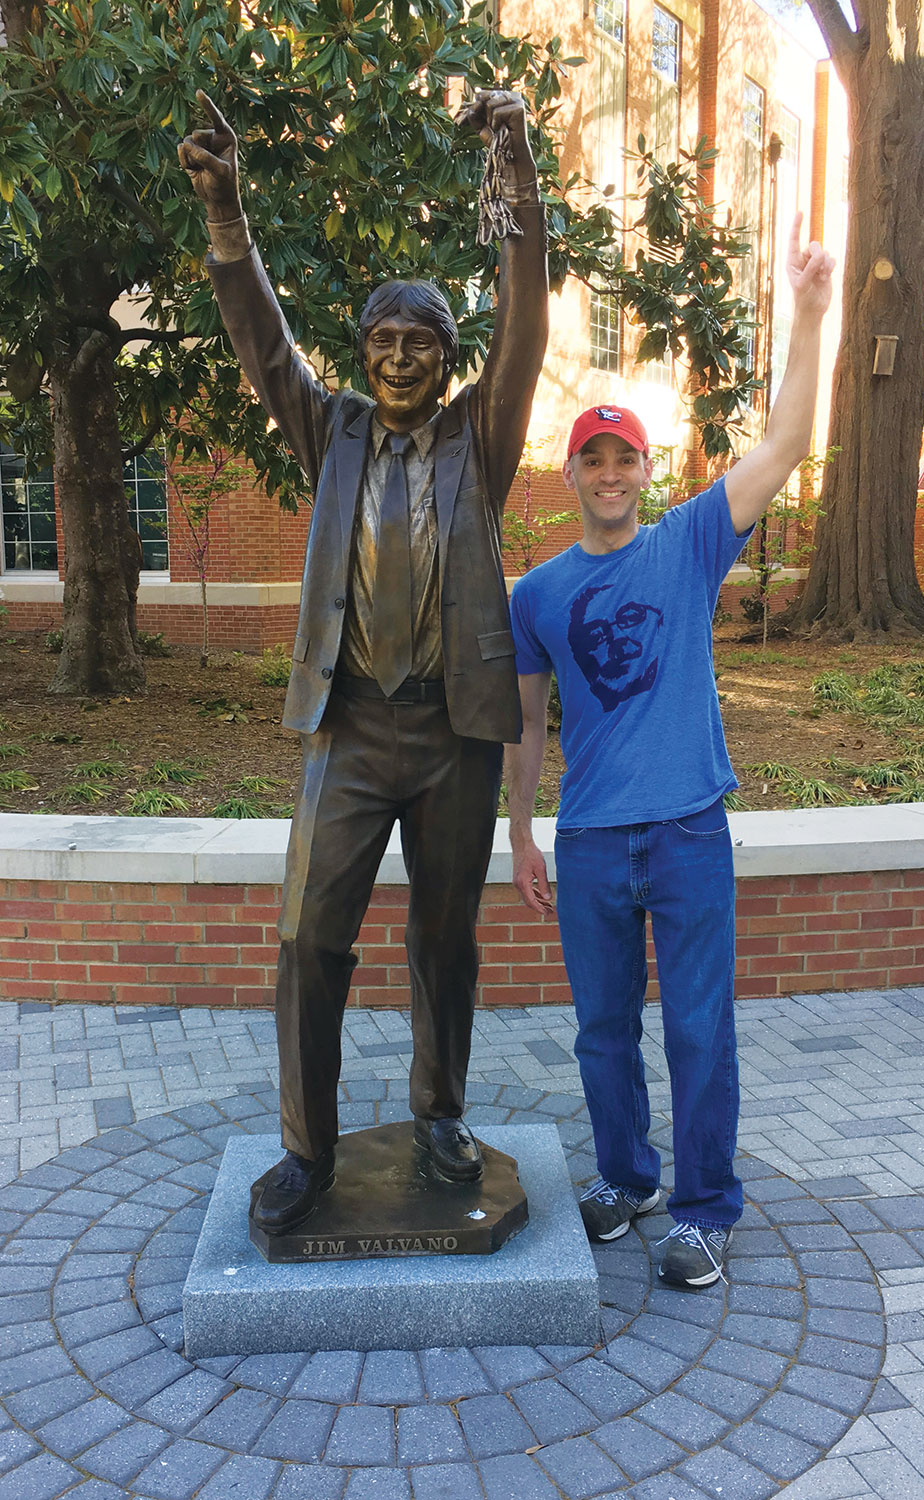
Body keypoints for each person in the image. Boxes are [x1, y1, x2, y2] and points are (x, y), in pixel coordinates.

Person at [178, 85, 547, 1233]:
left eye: (420, 341)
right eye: (382, 340)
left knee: (443, 935)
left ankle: (439, 1116)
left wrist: (517, 168)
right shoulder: (328, 426)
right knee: (305, 934)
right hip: (350, 729)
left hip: (453, 731)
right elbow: (261, 338)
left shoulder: (480, 436)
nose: (397, 357)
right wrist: (226, 213)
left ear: (446, 356)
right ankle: (308, 1147)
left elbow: (524, 323)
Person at [506, 216, 834, 1288]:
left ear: (646, 470)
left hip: (689, 824)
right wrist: (521, 833)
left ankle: (702, 1208)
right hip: (593, 839)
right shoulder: (539, 592)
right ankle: (626, 1176)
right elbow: (526, 720)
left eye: (625, 457)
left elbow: (784, 444)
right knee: (602, 1032)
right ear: (571, 475)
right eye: (591, 459)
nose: (609, 473)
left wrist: (811, 312)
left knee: (697, 1029)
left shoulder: (690, 539)